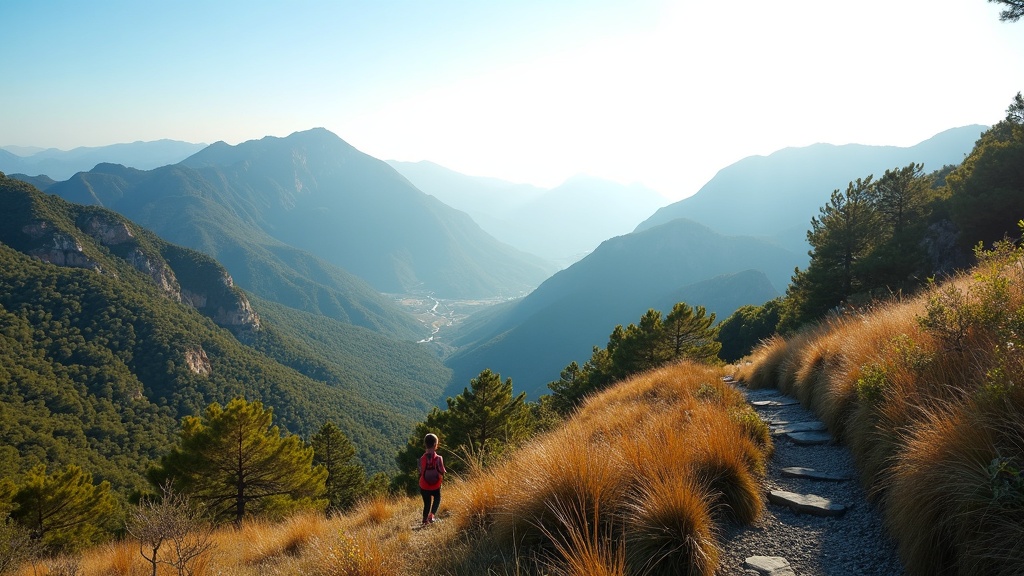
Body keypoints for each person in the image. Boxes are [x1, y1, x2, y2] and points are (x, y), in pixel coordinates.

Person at [418, 433, 447, 525]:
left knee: (427, 503)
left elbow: (421, 472)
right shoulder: (439, 458)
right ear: (435, 445)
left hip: (424, 485)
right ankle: (432, 515)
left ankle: (424, 520)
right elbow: (442, 471)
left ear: (425, 445)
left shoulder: (421, 459)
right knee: (437, 498)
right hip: (436, 485)